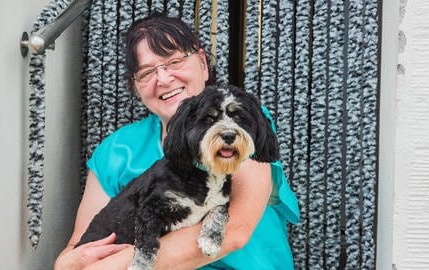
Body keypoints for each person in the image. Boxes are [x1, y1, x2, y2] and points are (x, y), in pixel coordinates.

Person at [54, 12, 299, 270]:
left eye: (174, 62)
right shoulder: (115, 150)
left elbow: (234, 231)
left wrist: (114, 266)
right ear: (135, 87)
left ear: (203, 63)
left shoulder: (241, 125)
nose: (163, 79)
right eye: (147, 73)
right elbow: (75, 252)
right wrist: (68, 263)